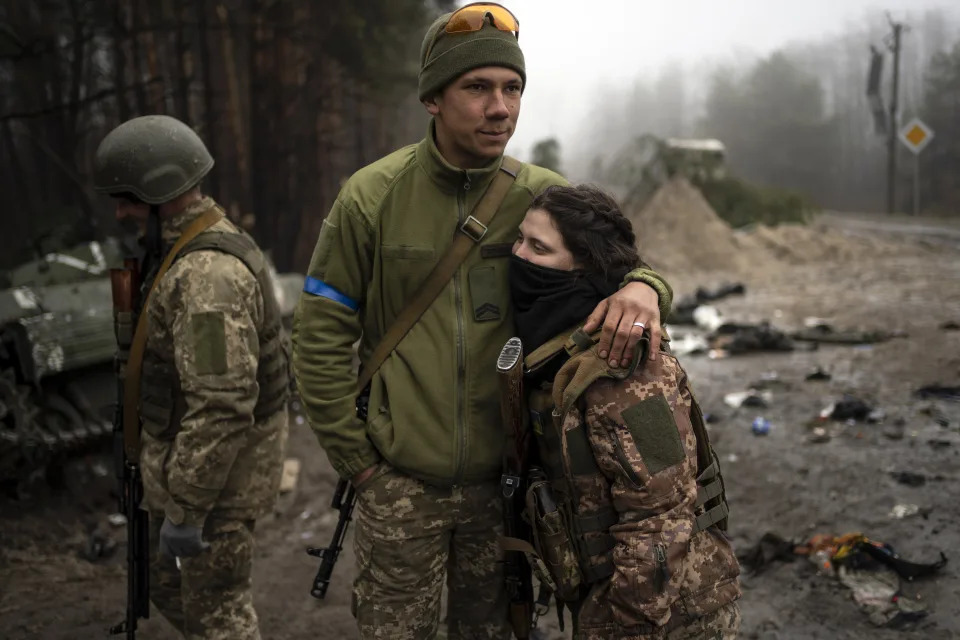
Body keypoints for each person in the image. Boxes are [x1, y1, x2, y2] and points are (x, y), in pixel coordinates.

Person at [292, 4, 673, 639]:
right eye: (477, 88)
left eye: (512, 88)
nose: (501, 108)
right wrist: (360, 463)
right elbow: (320, 331)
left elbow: (629, 270)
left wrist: (647, 287)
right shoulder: (371, 196)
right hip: (399, 482)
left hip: (506, 491)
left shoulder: (542, 195)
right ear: (433, 100)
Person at [510, 184, 741, 640]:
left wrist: (624, 626)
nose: (518, 256)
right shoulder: (556, 345)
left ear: (583, 269)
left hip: (672, 613)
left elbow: (661, 521)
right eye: (519, 240)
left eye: (539, 248)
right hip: (616, 596)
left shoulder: (623, 370)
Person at [93, 114, 289, 640]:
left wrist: (187, 509)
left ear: (159, 192)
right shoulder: (183, 251)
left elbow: (222, 404)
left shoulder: (207, 278)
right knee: (170, 588)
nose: (120, 212)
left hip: (217, 484)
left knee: (219, 616)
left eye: (128, 199)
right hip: (189, 471)